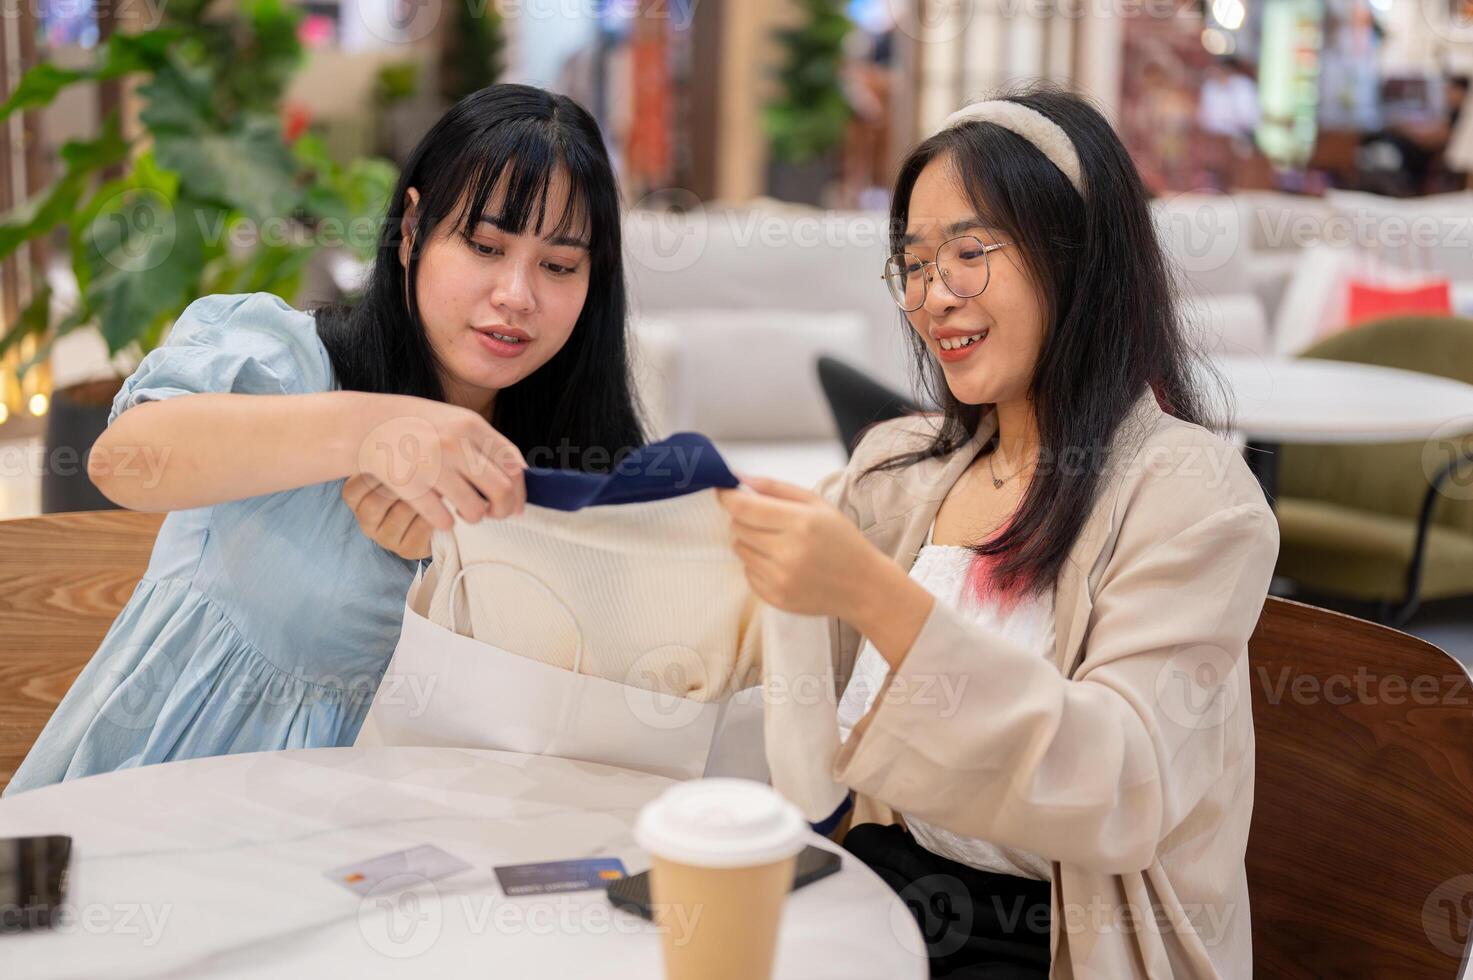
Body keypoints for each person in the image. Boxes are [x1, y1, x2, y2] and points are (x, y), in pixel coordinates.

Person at [721, 87, 1277, 978]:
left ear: (1079, 256)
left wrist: (872, 592)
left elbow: (1118, 787)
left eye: (970, 252)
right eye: (911, 262)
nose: (933, 295)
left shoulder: (1188, 494)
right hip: (875, 898)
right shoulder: (901, 468)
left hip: (1055, 938)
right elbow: (771, 692)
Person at [7, 83, 644, 794]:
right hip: (179, 802)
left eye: (558, 265)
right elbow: (124, 459)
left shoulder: (580, 462)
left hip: (411, 846)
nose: (517, 295)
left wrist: (458, 572)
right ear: (410, 232)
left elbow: (584, 713)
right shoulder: (293, 360)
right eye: (485, 245)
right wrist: (379, 430)